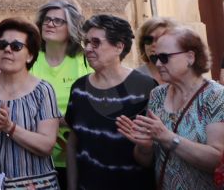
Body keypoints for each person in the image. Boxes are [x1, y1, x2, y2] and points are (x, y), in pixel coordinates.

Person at [118, 27, 224, 189]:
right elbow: (146, 161)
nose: (158, 63)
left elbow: (218, 160)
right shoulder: (157, 95)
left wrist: (168, 138)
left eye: (164, 57)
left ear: (190, 57)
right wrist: (144, 147)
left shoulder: (215, 96)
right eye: (155, 58)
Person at [65, 14, 156, 190]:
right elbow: (73, 142)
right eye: (87, 42)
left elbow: (153, 153)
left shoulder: (145, 88)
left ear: (119, 47)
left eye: (96, 42)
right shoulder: (79, 88)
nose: (88, 48)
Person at [0, 18, 60, 189]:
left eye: (16, 46)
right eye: (2, 45)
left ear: (30, 55)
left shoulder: (42, 91)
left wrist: (11, 128)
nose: (7, 49)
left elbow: (47, 145)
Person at [31, 0, 89, 184]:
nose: (50, 24)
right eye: (47, 20)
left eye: (58, 21)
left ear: (71, 27)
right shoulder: (29, 59)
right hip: (36, 156)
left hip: (79, 155)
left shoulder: (84, 62)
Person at [137, 16, 177, 85]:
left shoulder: (186, 75)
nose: (153, 44)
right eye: (148, 40)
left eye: (160, 39)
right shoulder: (133, 79)